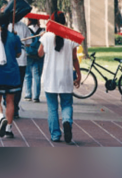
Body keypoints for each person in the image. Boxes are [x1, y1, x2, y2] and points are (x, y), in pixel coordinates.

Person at [38, 12, 81, 143]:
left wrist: (43, 37)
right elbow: (74, 58)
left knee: (52, 108)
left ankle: (55, 135)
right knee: (67, 104)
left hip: (50, 77)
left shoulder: (47, 36)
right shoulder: (71, 37)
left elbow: (39, 54)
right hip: (66, 76)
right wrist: (79, 74)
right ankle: (67, 121)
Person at [7, 17, 30, 118]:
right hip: (19, 61)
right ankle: (14, 106)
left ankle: (11, 105)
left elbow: (28, 42)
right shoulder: (23, 27)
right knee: (18, 85)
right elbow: (28, 44)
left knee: (9, 84)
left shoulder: (6, 26)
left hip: (12, 60)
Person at [23, 18, 45, 103]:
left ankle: (28, 94)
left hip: (29, 54)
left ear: (29, 20)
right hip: (39, 54)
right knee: (37, 75)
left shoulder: (27, 29)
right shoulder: (42, 31)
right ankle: (36, 96)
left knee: (28, 75)